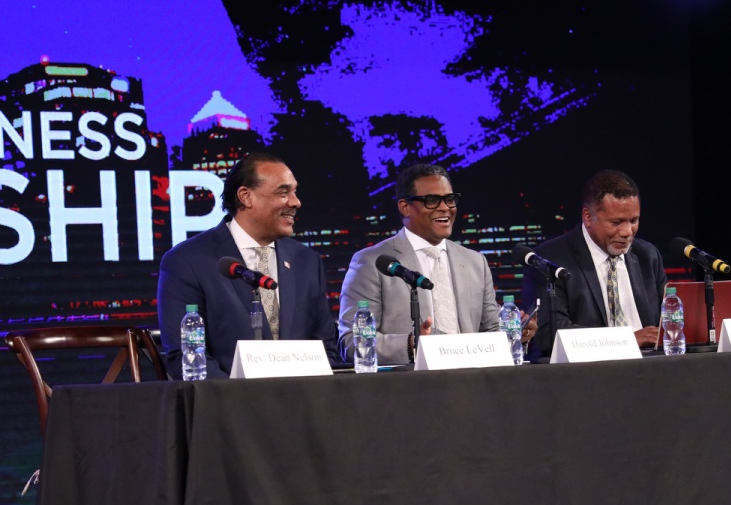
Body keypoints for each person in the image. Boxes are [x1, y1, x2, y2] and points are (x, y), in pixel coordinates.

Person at [157, 152, 339, 377]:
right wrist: (242, 396)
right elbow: (187, 357)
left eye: (294, 192)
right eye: (283, 192)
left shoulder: (306, 261)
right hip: (227, 397)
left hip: (302, 396)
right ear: (246, 196)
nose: (295, 202)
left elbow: (326, 348)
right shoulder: (187, 261)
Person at [338, 163, 503, 365]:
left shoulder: (475, 262)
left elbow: (492, 330)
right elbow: (352, 342)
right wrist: (411, 344)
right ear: (405, 207)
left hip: (470, 378)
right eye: (431, 200)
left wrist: (517, 333)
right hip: (412, 381)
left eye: (450, 199)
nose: (445, 207)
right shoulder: (372, 262)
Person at [521, 170, 667, 360]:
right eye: (616, 222)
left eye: (633, 220)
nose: (627, 232)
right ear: (588, 217)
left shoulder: (647, 255)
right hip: (588, 369)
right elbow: (551, 334)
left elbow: (669, 319)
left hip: (651, 365)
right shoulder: (549, 260)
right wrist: (627, 340)